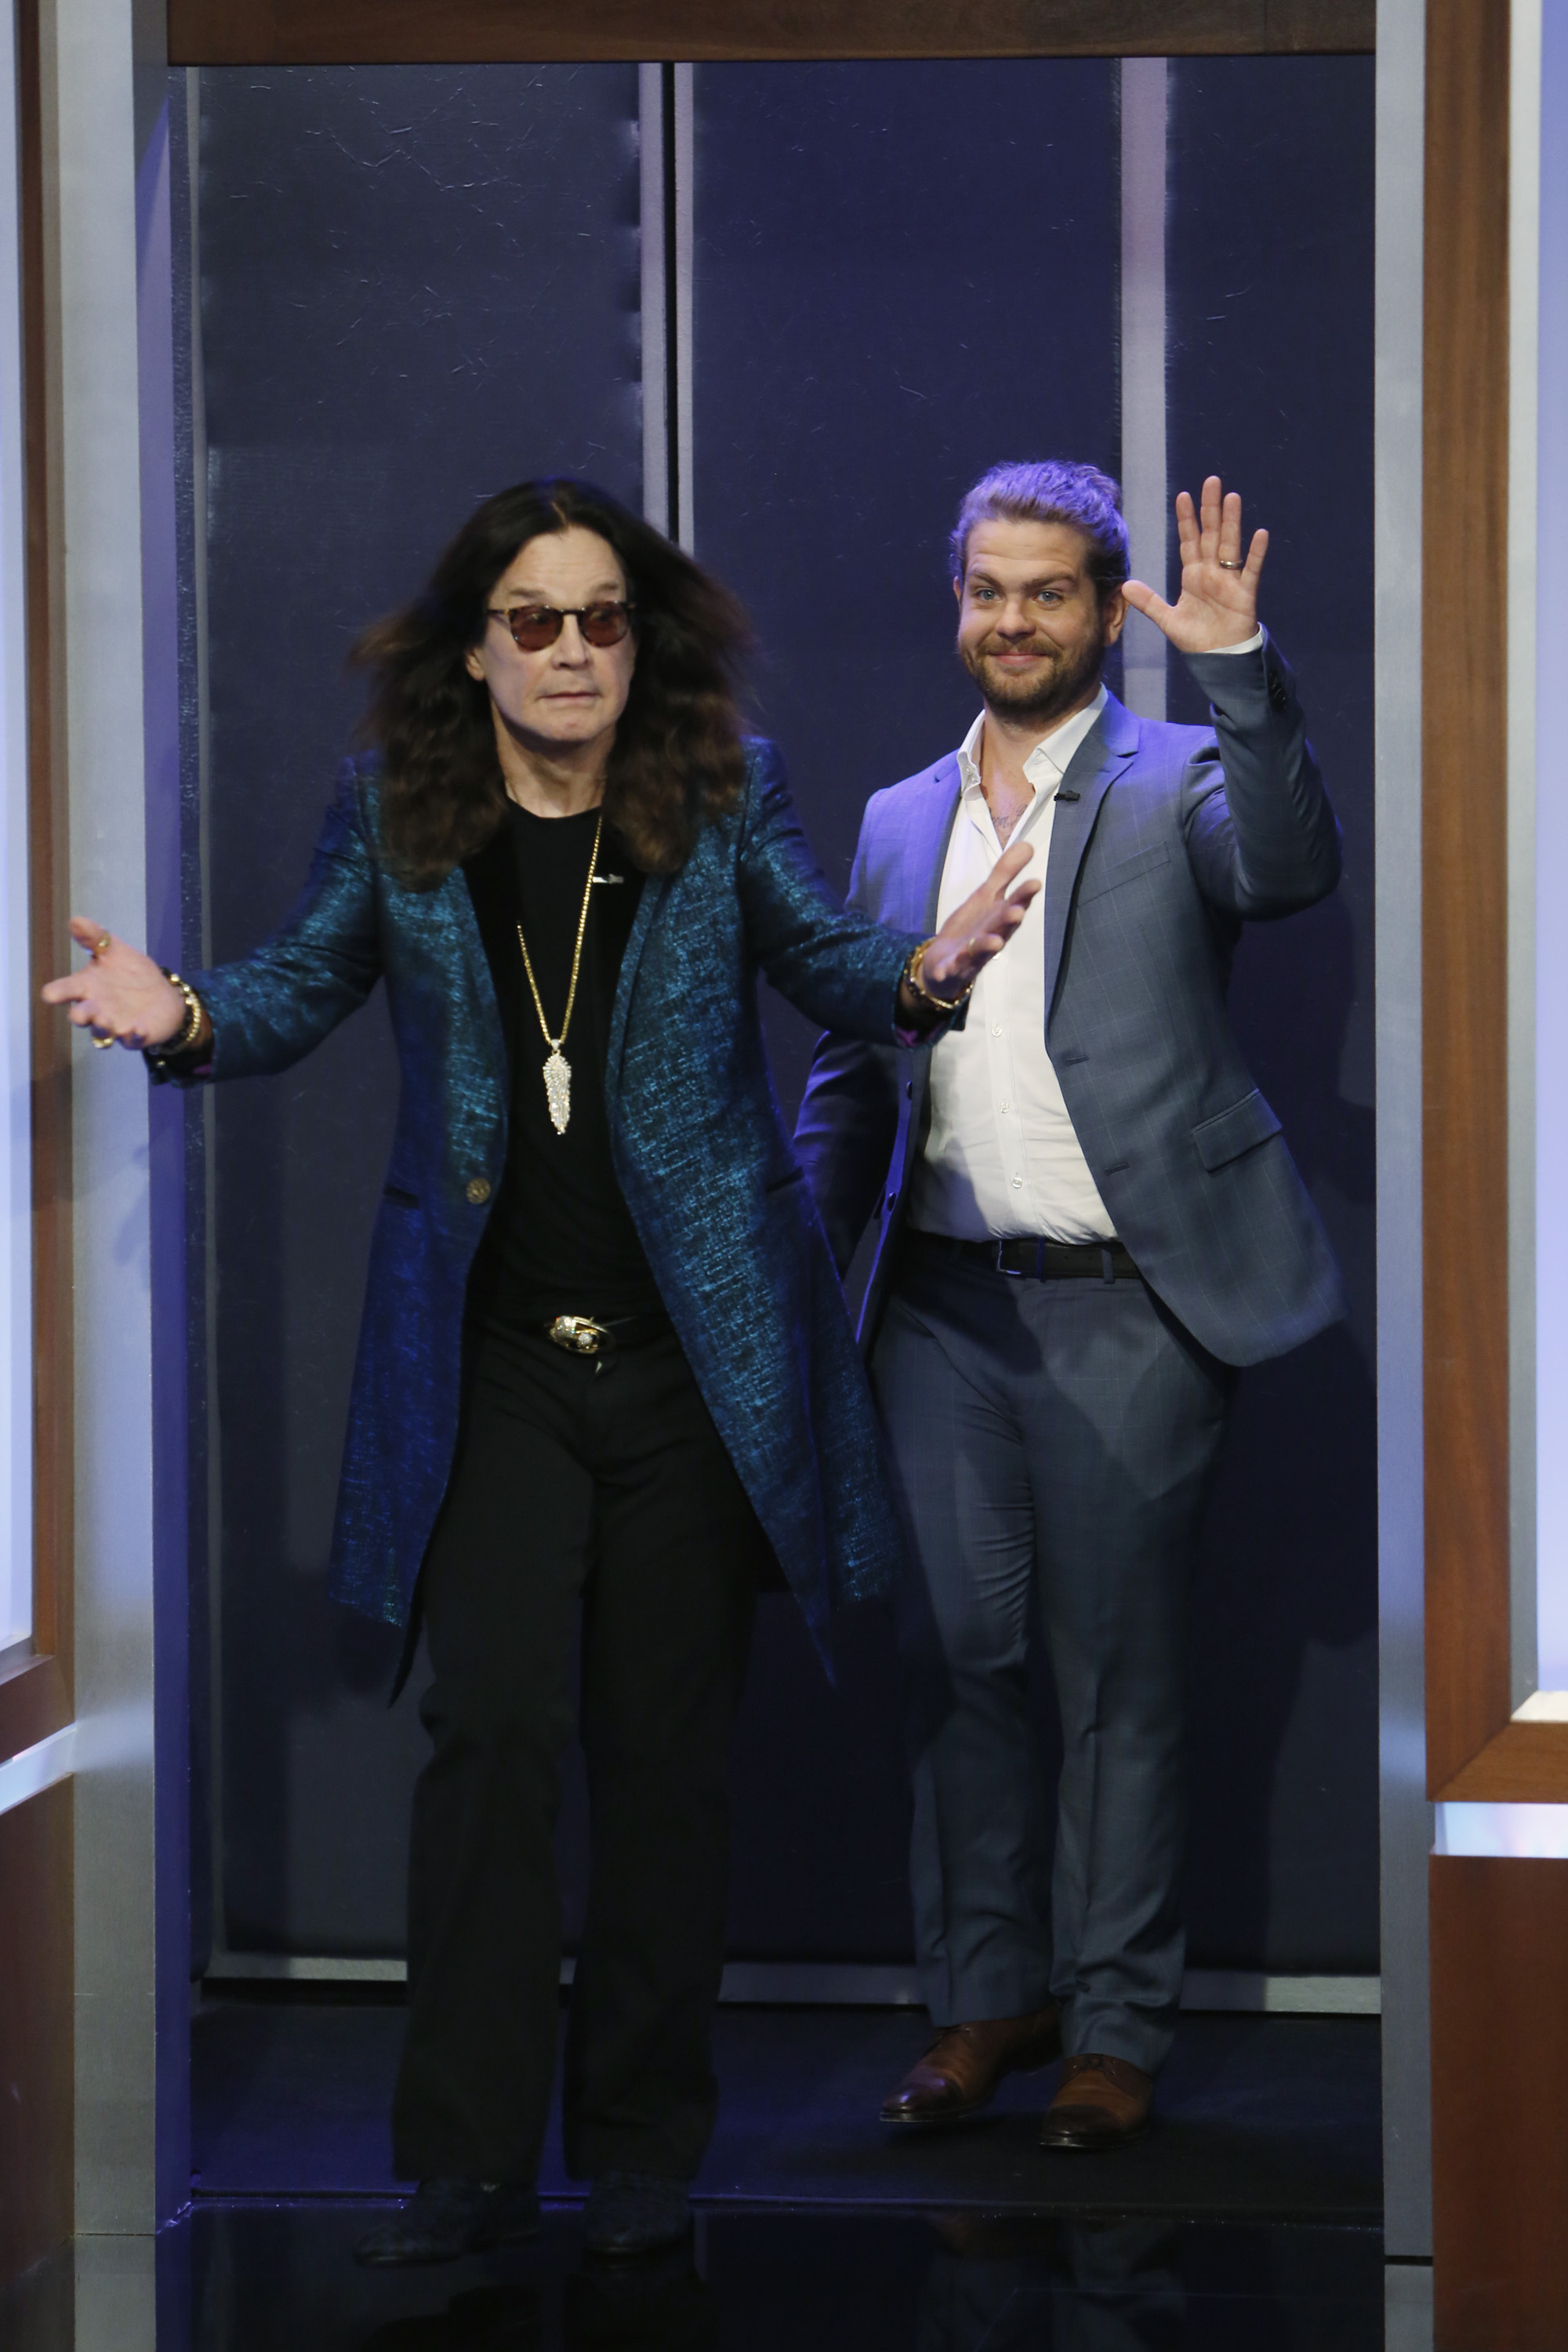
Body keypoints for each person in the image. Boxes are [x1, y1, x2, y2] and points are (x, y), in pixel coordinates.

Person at [43, 477, 1037, 2260]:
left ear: (636, 640)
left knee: (666, 1760)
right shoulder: (399, 812)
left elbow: (823, 954)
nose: (572, 650)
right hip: (492, 1355)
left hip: (688, 1364)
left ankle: (645, 2154)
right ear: (479, 645)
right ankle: (467, 2163)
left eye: (600, 618)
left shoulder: (724, 791)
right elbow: (293, 984)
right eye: (534, 619)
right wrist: (180, 1015)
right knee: (490, 1734)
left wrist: (920, 976)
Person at [793, 463, 1344, 2153]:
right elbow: (853, 1058)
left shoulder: (1179, 775)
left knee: (1118, 1684)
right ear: (955, 601)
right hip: (941, 1318)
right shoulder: (898, 815)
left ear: (1108, 613)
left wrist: (1240, 669)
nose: (1010, 622)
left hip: (1130, 1307)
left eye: (1045, 594)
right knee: (954, 1665)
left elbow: (1291, 866)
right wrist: (813, 1283)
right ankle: (984, 2003)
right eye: (985, 590)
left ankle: (1112, 2028)